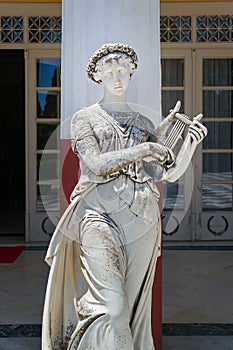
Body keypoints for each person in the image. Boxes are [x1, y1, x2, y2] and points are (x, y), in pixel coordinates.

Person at [42, 43, 207, 350]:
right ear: (97, 77)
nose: (117, 77)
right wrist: (146, 147)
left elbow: (163, 174)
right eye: (109, 71)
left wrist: (188, 147)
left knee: (129, 311)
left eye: (122, 71)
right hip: (97, 217)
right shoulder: (84, 119)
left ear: (131, 74)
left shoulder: (143, 124)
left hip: (141, 220)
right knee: (113, 309)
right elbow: (95, 165)